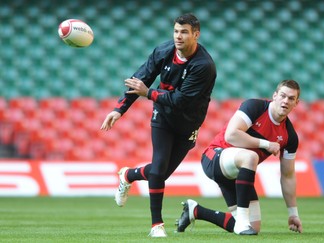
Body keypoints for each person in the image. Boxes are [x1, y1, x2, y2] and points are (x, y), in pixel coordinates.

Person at [100, 13, 216, 238]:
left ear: (196, 35)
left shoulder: (204, 66)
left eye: (184, 32)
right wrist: (119, 109)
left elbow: (182, 101)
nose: (178, 36)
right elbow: (139, 79)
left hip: (188, 124)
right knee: (159, 167)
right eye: (175, 31)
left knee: (160, 174)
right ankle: (156, 226)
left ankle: (128, 175)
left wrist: (148, 93)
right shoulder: (163, 52)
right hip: (162, 117)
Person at [176, 80, 303, 235]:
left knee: (253, 228)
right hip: (215, 157)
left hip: (238, 174)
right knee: (250, 157)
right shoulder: (254, 107)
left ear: (296, 103)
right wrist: (266, 144)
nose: (285, 101)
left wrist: (293, 213)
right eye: (282, 96)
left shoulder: (290, 136)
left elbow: (288, 176)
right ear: (274, 96)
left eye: (291, 98)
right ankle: (242, 221)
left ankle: (195, 211)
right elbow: (231, 135)